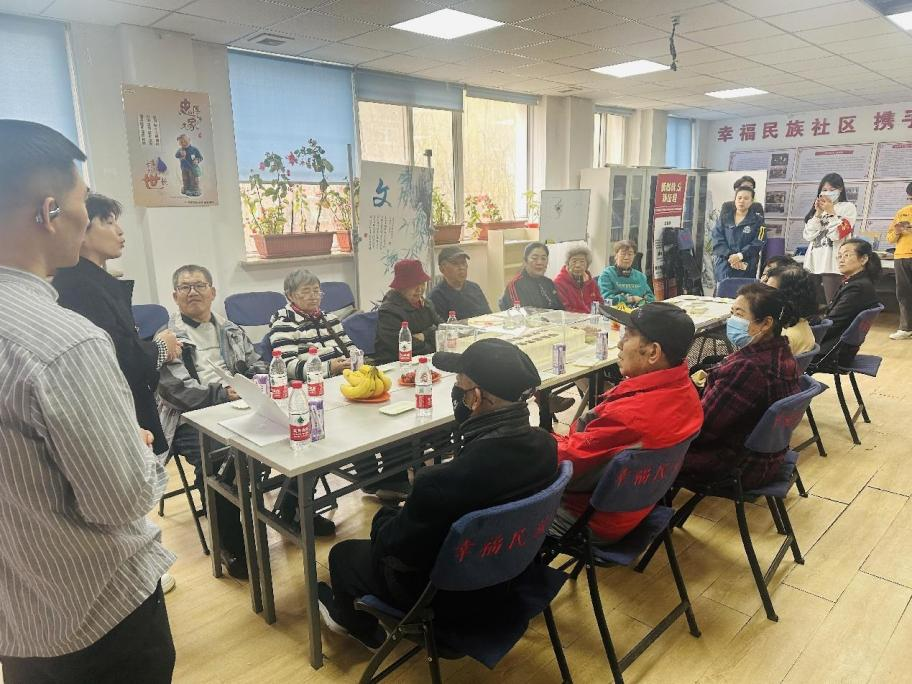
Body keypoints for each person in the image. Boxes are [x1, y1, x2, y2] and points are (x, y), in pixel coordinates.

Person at [0, 120, 175, 682]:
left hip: (18, 621)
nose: (88, 215)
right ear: (49, 212)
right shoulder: (64, 342)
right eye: (83, 200)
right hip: (97, 618)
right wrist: (137, 451)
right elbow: (118, 500)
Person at [317, 339, 557, 650]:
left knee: (342, 554)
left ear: (476, 398)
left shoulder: (440, 482)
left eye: (459, 385)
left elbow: (393, 548)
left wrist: (387, 517)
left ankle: (355, 624)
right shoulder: (546, 447)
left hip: (444, 601)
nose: (456, 392)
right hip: (508, 581)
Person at [553, 303, 703, 543]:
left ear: (653, 352)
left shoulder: (631, 416)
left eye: (628, 335)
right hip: (636, 508)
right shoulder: (687, 393)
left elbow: (563, 462)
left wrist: (535, 442)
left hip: (590, 520)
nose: (620, 344)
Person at [157, 265, 272, 576]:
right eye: (185, 287)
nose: (193, 292)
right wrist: (223, 394)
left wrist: (254, 383)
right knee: (222, 462)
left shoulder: (231, 329)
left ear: (212, 292)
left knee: (289, 434)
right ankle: (230, 545)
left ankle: (292, 513)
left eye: (199, 285)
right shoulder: (168, 339)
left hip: (238, 407)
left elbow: (257, 363)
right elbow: (176, 390)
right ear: (175, 296)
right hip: (191, 419)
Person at [53, 194, 181, 457]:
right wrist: (161, 347)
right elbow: (118, 357)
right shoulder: (79, 287)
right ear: (82, 229)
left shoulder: (92, 281)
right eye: (109, 222)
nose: (120, 230)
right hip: (113, 415)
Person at [680, 284, 802, 490]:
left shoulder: (748, 368)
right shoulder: (782, 352)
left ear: (766, 323)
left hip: (737, 465)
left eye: (739, 314)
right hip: (766, 457)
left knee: (639, 453)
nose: (732, 320)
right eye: (732, 313)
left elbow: (702, 430)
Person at [269, 268, 354, 380]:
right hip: (312, 382)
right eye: (306, 291)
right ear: (290, 296)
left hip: (345, 376)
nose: (313, 296)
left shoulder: (331, 319)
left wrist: (355, 360)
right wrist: (328, 368)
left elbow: (350, 348)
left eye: (316, 291)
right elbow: (287, 366)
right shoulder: (284, 325)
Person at [816, 238, 881, 366]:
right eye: (839, 256)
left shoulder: (857, 287)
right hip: (841, 350)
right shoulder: (857, 282)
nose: (841, 260)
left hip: (830, 352)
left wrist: (808, 337)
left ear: (863, 259)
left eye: (846, 255)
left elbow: (832, 324)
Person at [803, 172, 857, 305]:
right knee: (808, 303)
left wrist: (831, 212)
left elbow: (837, 235)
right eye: (824, 189)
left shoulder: (847, 207)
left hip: (833, 265)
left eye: (832, 190)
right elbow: (808, 235)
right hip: (812, 263)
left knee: (833, 303)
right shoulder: (819, 208)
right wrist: (817, 214)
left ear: (840, 190)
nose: (827, 193)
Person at [374, 259, 441, 364]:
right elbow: (404, 346)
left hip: (426, 359)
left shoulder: (426, 304)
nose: (420, 289)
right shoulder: (388, 312)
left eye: (422, 283)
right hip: (395, 364)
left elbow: (443, 329)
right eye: (413, 284)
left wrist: (424, 335)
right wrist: (434, 345)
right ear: (400, 287)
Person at [711, 186, 766, 282]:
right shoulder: (724, 219)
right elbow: (717, 240)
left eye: (746, 198)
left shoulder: (759, 221)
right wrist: (731, 256)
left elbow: (759, 241)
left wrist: (740, 256)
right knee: (722, 290)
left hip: (745, 266)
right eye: (739, 198)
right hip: (725, 265)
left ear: (751, 201)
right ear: (735, 200)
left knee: (744, 291)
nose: (742, 201)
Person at [764, 265, 818, 355]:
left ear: (789, 298)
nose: (764, 295)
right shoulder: (801, 324)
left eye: (770, 291)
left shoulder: (784, 337)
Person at [428, 245, 491, 320]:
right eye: (455, 264)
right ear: (442, 269)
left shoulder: (474, 288)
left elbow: (489, 316)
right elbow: (442, 326)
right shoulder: (436, 296)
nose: (461, 268)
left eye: (463, 263)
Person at [499, 241, 563, 310]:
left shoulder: (549, 283)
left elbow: (561, 311)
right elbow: (520, 313)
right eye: (534, 258)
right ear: (525, 261)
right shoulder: (515, 285)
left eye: (543, 259)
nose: (539, 262)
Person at [886, 182, 912, 340]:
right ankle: (906, 328)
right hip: (902, 256)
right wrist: (897, 231)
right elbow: (890, 238)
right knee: (903, 293)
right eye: (910, 198)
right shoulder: (902, 213)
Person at [598, 239, 655, 307]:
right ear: (616, 256)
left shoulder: (640, 276)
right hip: (616, 311)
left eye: (630, 254)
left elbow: (651, 298)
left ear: (634, 256)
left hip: (639, 310)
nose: (626, 257)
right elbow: (606, 300)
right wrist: (631, 299)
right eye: (623, 254)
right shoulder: (607, 274)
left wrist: (642, 301)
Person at [553, 245, 604, 313]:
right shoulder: (559, 282)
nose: (578, 265)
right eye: (574, 261)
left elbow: (600, 302)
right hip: (572, 319)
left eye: (582, 261)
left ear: (587, 265)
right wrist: (588, 314)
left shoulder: (591, 282)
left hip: (594, 318)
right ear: (568, 263)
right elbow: (565, 309)